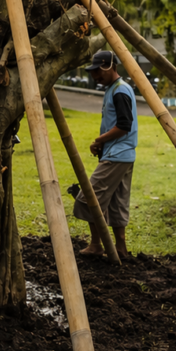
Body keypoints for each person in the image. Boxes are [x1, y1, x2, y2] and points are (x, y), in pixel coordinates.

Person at [72, 50, 138, 258]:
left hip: (117, 156)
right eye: (93, 73)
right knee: (117, 202)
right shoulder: (114, 89)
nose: (95, 77)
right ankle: (121, 249)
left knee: (88, 198)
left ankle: (96, 245)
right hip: (124, 155)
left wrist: (100, 140)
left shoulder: (120, 91)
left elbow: (124, 126)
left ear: (111, 66)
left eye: (98, 71)